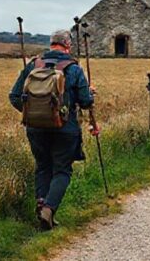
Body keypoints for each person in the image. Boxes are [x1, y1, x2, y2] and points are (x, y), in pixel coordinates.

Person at [9, 29, 96, 230]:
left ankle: (41, 203)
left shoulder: (33, 65)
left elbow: (14, 96)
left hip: (35, 128)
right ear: (68, 45)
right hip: (65, 128)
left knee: (43, 166)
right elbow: (84, 102)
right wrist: (90, 95)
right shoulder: (73, 68)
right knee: (62, 170)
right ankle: (49, 208)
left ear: (51, 44)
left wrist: (32, 113)